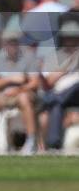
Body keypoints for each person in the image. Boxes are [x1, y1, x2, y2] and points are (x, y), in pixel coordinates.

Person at [0, 31, 40, 154]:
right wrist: (10, 79)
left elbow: (35, 83)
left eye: (14, 42)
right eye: (9, 42)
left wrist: (18, 90)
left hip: (23, 94)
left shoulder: (29, 57)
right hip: (3, 96)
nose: (12, 45)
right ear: (4, 44)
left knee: (24, 98)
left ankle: (31, 141)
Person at [39, 20, 79, 149]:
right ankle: (53, 143)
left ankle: (55, 99)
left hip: (76, 95)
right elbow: (48, 82)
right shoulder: (54, 56)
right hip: (59, 95)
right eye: (67, 38)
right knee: (56, 106)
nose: (70, 42)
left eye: (73, 38)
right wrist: (66, 67)